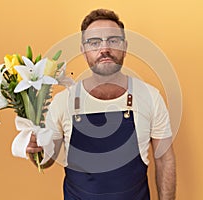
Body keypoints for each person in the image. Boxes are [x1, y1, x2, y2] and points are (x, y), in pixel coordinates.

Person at [27, 9, 176, 200]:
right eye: (94, 42)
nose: (104, 49)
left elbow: (164, 159)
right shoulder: (64, 101)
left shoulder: (150, 97)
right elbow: (46, 161)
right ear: (83, 50)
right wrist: (36, 152)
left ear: (125, 46)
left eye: (113, 41)